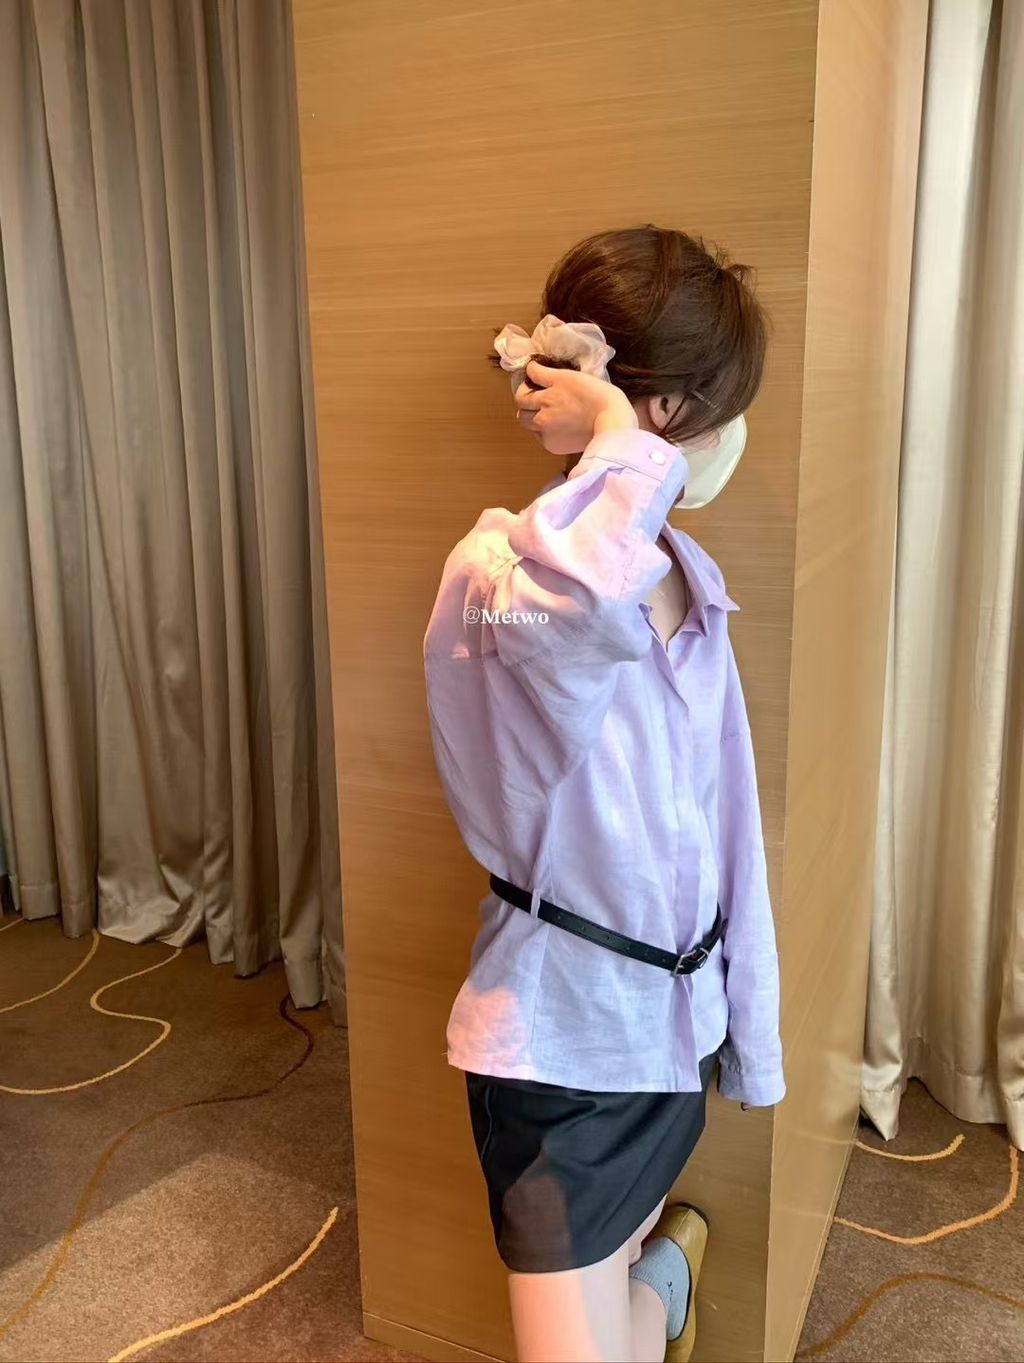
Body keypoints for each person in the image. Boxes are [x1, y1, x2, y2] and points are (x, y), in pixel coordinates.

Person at [422, 225, 785, 1363]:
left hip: (671, 1033)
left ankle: (658, 1279)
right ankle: (662, 1289)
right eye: (718, 414)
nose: (730, 441)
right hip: (560, 1045)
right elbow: (578, 614)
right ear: (660, 413)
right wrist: (619, 441)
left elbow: (729, 828)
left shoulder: (691, 579)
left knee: (611, 1295)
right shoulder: (499, 575)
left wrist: (748, 1028)